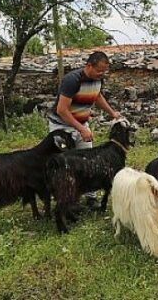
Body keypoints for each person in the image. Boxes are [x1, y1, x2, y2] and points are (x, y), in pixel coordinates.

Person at [48, 51, 122, 209]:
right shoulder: (72, 80)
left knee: (88, 162)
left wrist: (112, 113)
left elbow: (97, 97)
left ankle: (90, 196)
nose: (102, 74)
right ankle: (66, 199)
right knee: (65, 163)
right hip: (62, 126)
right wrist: (81, 129)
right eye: (99, 70)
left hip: (81, 123)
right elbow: (62, 110)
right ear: (88, 65)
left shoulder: (97, 80)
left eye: (104, 71)